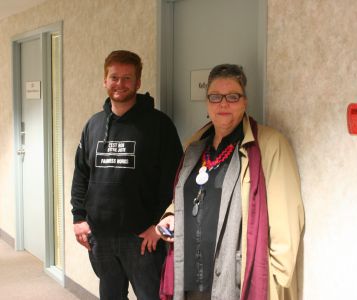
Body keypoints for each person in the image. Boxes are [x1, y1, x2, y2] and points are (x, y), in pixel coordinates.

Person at [157, 64, 305, 300]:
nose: (223, 104)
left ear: (245, 102)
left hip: (237, 281)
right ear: (207, 102)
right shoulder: (195, 146)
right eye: (215, 97)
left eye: (232, 97)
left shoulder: (269, 146)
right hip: (191, 277)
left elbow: (285, 223)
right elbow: (185, 196)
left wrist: (275, 281)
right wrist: (170, 216)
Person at [71, 50, 183, 299]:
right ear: (105, 80)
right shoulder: (94, 125)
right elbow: (81, 175)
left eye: (127, 78)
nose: (119, 84)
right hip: (100, 237)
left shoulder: (159, 125)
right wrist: (79, 218)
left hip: (143, 239)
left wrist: (158, 227)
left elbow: (175, 179)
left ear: (138, 83)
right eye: (113, 77)